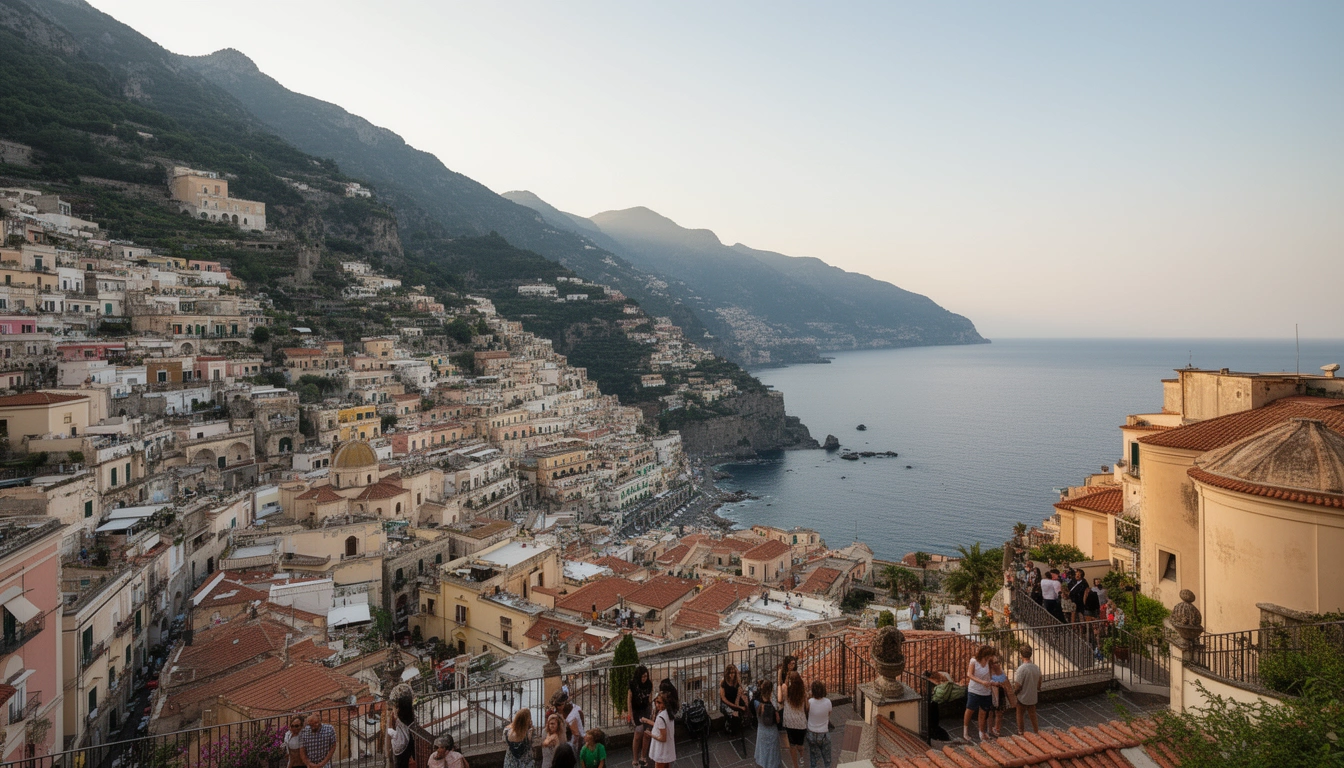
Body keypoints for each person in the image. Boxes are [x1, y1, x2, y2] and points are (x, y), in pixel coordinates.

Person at [962, 646, 997, 742]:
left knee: (983, 711)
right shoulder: (973, 661)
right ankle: (965, 731)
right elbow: (969, 674)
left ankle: (981, 732)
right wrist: (982, 682)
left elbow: (990, 675)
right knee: (970, 710)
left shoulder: (988, 662)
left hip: (986, 691)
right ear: (985, 655)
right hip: (974, 690)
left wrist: (992, 682)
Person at [781, 672, 808, 768]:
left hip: (789, 721)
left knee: (792, 745)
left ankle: (795, 765)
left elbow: (783, 687)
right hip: (800, 722)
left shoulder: (786, 689)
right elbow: (807, 707)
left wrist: (785, 679)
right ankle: (801, 758)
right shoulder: (803, 692)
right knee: (800, 744)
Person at [627, 666, 653, 768]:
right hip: (636, 711)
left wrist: (652, 712)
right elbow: (629, 700)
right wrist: (630, 715)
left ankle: (643, 756)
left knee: (646, 734)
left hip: (646, 710)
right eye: (642, 677)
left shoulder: (649, 684)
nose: (644, 679)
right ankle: (635, 759)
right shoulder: (633, 685)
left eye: (646, 676)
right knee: (638, 735)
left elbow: (650, 699)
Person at [1013, 646, 1042, 734]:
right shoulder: (1036, 668)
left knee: (1020, 714)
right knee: (1033, 715)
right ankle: (1036, 731)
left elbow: (1018, 685)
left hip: (1023, 696)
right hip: (1032, 695)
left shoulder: (1021, 669)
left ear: (1021, 655)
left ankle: (1021, 731)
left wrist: (1015, 694)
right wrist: (1037, 688)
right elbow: (1039, 681)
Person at [754, 681, 782, 768]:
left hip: (761, 732)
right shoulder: (773, 706)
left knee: (763, 753)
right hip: (771, 733)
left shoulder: (757, 703)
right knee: (772, 755)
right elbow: (778, 720)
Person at [805, 681, 832, 768]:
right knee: (827, 759)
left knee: (814, 758)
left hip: (811, 733)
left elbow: (806, 711)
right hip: (823, 733)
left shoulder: (810, 702)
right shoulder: (828, 702)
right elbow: (829, 714)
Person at [645, 693, 676, 768]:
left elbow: (663, 738)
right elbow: (658, 726)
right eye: (656, 702)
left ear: (664, 703)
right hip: (667, 749)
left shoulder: (661, 717)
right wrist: (646, 721)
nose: (657, 704)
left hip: (661, 750)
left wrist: (650, 734)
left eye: (659, 702)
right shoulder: (668, 713)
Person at [987, 657, 1015, 737]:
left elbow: (1004, 680)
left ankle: (997, 728)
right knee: (990, 712)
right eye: (996, 662)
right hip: (991, 693)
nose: (998, 664)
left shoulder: (1000, 671)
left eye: (998, 662)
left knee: (999, 712)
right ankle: (989, 729)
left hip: (1000, 692)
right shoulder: (988, 672)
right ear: (991, 665)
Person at [389, 696, 417, 768]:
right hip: (408, 744)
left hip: (402, 747)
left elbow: (398, 738)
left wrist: (390, 732)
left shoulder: (399, 720)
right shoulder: (410, 718)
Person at [720, 664, 749, 731]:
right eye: (730, 673)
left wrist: (737, 704)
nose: (731, 675)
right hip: (726, 703)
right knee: (735, 712)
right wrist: (735, 707)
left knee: (744, 707)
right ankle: (731, 728)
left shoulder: (736, 681)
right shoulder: (723, 682)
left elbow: (739, 694)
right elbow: (723, 698)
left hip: (735, 700)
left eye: (733, 673)